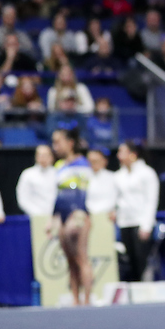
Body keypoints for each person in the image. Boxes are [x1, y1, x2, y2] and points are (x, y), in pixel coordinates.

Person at [50, 127, 94, 306]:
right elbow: (58, 195)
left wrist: (80, 213)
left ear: (70, 143)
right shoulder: (59, 166)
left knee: (81, 257)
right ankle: (75, 299)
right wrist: (53, 217)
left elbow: (83, 192)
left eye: (58, 142)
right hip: (62, 215)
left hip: (78, 214)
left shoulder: (82, 164)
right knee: (70, 260)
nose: (55, 147)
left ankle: (87, 299)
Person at [114, 140, 161, 282]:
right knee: (129, 262)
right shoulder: (118, 175)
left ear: (133, 154)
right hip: (124, 223)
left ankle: (144, 292)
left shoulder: (147, 173)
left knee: (141, 261)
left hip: (140, 223)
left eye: (122, 152)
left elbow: (151, 200)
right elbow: (116, 199)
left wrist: (146, 225)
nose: (118, 156)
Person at [16, 144, 58, 217]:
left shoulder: (57, 173)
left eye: (46, 155)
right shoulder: (27, 174)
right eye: (40, 155)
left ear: (51, 157)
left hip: (55, 216)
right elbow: (22, 199)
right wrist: (36, 213)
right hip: (35, 217)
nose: (43, 158)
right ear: (36, 157)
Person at [85, 146, 117, 217]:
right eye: (90, 161)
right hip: (89, 215)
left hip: (107, 215)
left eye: (95, 161)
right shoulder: (84, 176)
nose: (93, 164)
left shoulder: (113, 177)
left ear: (104, 161)